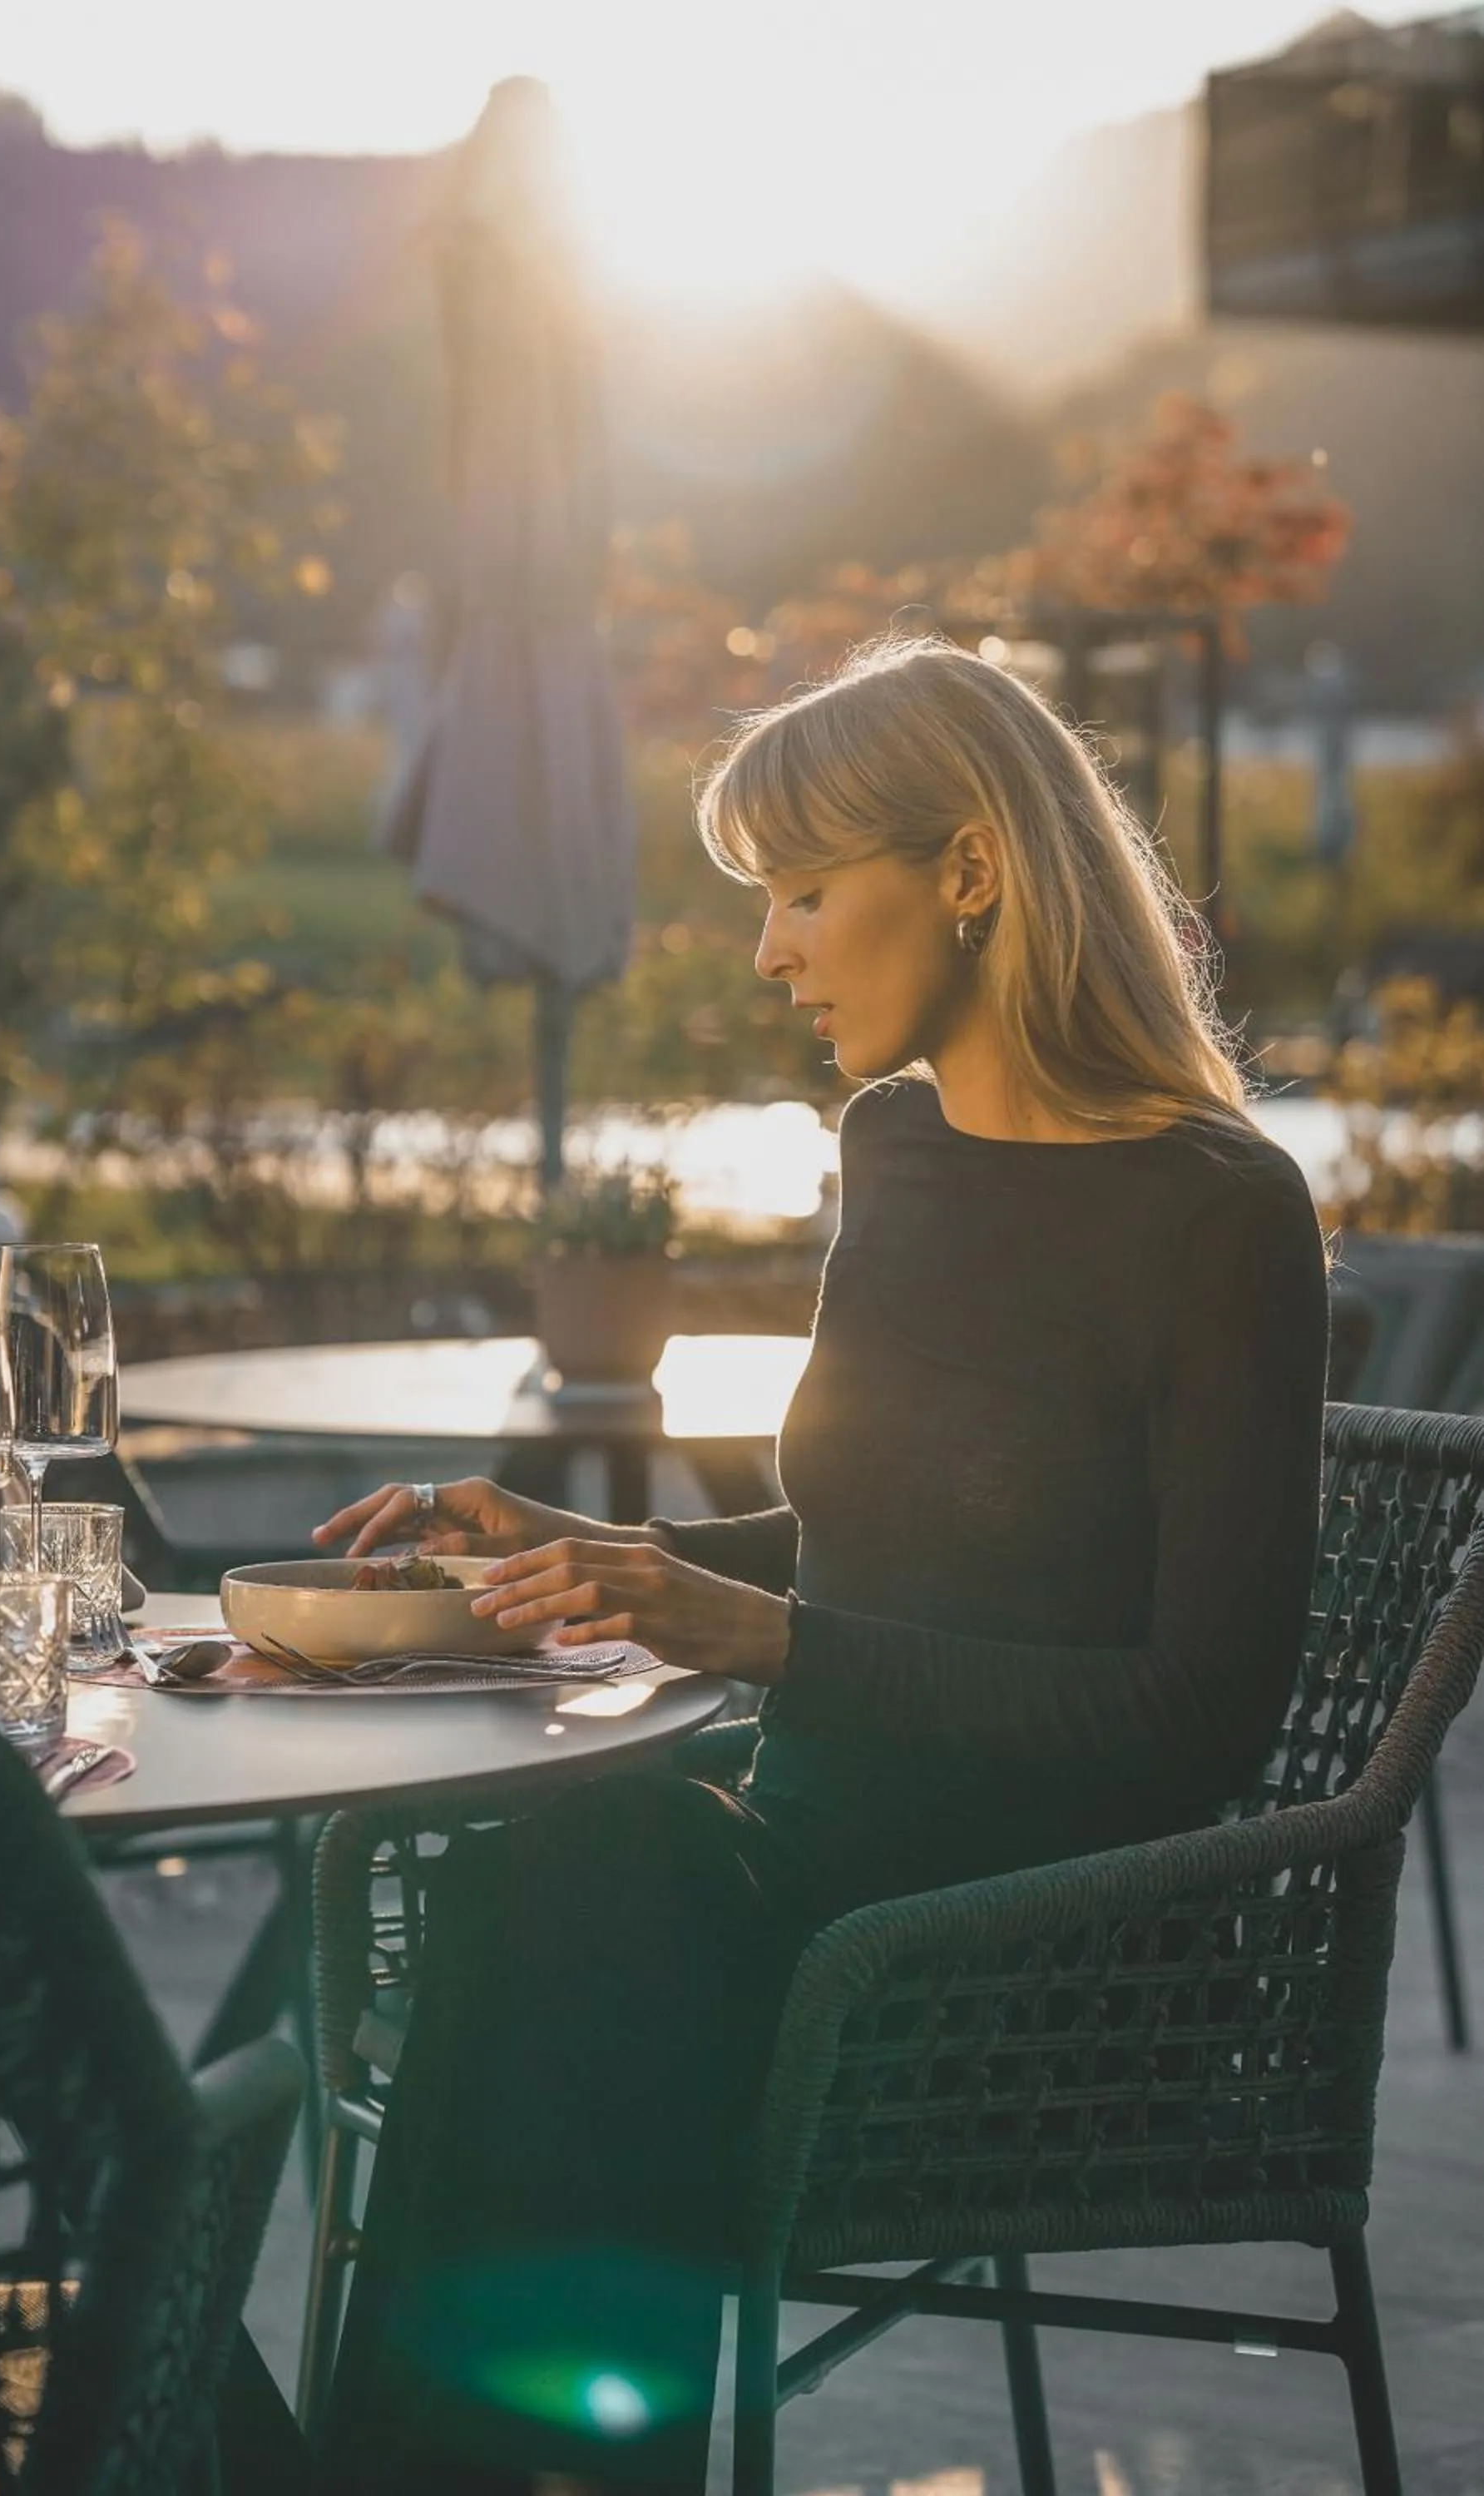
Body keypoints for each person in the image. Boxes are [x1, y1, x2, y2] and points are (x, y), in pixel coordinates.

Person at [314, 636, 1328, 2494]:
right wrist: (601, 1554)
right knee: (555, 1870)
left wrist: (769, 1641)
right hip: (807, 1876)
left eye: (797, 892)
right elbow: (891, 1534)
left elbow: (1196, 1719)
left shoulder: (1219, 1217)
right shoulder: (894, 1145)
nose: (766, 952)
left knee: (587, 1895)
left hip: (1040, 1954)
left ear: (969, 870)